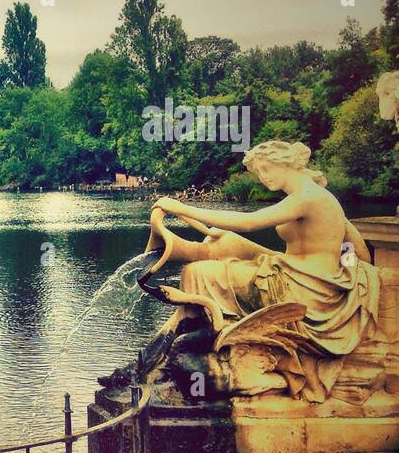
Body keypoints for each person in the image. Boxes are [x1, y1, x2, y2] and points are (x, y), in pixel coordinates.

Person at [146, 140, 380, 401]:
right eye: (259, 172)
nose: (263, 177)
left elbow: (248, 222)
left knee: (198, 273)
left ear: (286, 164)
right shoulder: (316, 198)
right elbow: (353, 246)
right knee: (221, 249)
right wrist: (342, 273)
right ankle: (181, 351)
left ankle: (201, 353)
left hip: (303, 290)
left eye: (267, 169)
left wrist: (179, 207)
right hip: (298, 276)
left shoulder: (308, 198)